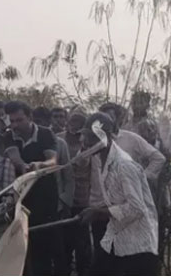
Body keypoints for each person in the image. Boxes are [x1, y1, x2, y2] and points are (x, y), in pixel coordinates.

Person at [79, 112, 159, 275]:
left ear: (106, 137)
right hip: (118, 237)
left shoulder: (124, 165)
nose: (86, 142)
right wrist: (96, 210)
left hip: (137, 245)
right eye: (86, 136)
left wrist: (99, 212)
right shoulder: (102, 161)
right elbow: (118, 200)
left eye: (92, 137)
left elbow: (136, 208)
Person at [0, 101, 62, 275]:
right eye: (12, 121)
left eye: (19, 120)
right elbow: (15, 158)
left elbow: (53, 161)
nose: (15, 125)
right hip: (23, 197)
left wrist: (40, 165)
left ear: (30, 117)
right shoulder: (9, 135)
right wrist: (24, 166)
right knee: (23, 246)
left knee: (44, 246)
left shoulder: (45, 133)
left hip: (45, 198)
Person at [58, 112, 92, 275]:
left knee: (82, 244)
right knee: (63, 243)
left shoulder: (90, 144)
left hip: (82, 199)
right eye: (72, 122)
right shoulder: (58, 140)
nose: (74, 127)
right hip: (62, 199)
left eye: (79, 125)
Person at [33, 106, 75, 220]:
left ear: (48, 122)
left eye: (40, 122)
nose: (38, 126)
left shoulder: (60, 143)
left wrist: (65, 201)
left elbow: (68, 175)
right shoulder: (28, 142)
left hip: (56, 201)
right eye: (35, 122)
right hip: (31, 200)